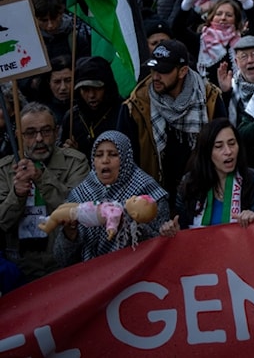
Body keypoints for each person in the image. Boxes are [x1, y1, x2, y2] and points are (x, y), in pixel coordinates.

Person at [119, 40, 224, 202]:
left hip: (203, 193)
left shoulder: (209, 98)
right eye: (153, 69)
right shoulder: (136, 105)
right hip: (152, 197)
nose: (155, 76)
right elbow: (126, 161)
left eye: (163, 71)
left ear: (182, 71)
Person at [0, 103, 89, 282]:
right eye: (31, 133)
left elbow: (80, 211)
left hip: (65, 266)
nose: (39, 139)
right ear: (19, 136)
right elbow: (2, 222)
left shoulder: (75, 162)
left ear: (56, 132)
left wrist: (42, 178)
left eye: (46, 131)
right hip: (20, 269)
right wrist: (16, 195)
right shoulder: (4, 169)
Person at [53, 131, 169, 265]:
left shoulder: (147, 192)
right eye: (98, 155)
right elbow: (61, 259)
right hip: (93, 278)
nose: (105, 160)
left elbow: (161, 246)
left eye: (113, 154)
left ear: (126, 158)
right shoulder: (80, 195)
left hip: (136, 274)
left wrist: (129, 225)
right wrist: (70, 235)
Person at [159, 119, 254, 232]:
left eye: (232, 144)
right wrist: (173, 232)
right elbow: (182, 229)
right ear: (206, 152)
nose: (228, 151)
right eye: (218, 146)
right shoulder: (190, 184)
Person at [59, 56, 122, 156]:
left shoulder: (123, 113)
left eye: (97, 88)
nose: (91, 95)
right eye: (85, 89)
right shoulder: (72, 117)